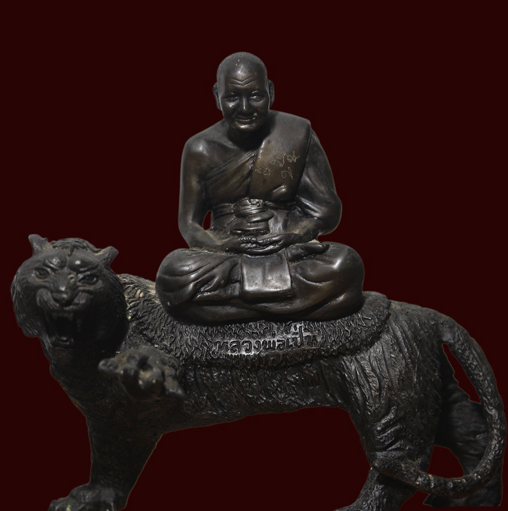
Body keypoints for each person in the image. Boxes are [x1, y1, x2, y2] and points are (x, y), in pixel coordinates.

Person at [156, 52, 364, 324]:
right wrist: (224, 244)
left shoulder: (296, 133)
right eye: (232, 97)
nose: (244, 108)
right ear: (217, 95)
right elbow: (189, 224)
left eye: (255, 96)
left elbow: (327, 210)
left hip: (288, 250)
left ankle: (228, 306)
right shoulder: (200, 148)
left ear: (271, 92)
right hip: (228, 256)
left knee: (345, 263)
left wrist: (295, 235)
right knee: (173, 273)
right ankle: (290, 304)